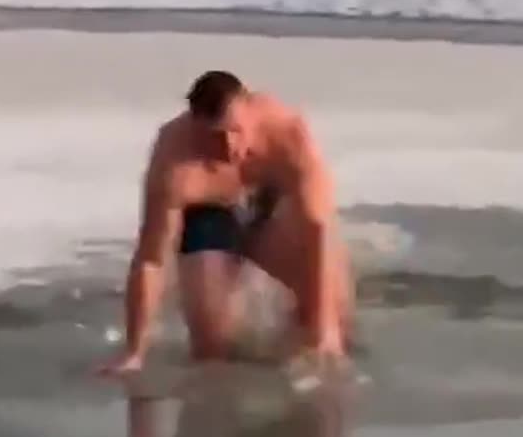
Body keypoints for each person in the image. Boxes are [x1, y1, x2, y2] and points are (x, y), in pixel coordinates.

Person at [98, 70, 354, 376]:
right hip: (210, 216)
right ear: (195, 128)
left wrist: (325, 331)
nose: (229, 148)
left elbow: (317, 228)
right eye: (214, 137)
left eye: (235, 131)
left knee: (333, 312)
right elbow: (151, 259)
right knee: (212, 342)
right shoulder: (175, 160)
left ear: (249, 108)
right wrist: (134, 352)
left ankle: (306, 343)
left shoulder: (289, 133)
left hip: (270, 208)